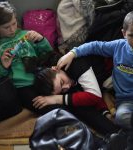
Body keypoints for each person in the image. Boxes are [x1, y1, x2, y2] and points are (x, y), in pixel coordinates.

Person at [56, 11, 133, 150]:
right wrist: (73, 53)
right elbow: (95, 46)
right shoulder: (118, 46)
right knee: (121, 118)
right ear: (123, 33)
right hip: (125, 102)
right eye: (132, 36)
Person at [0, 1, 56, 112]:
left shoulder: (27, 35)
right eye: (6, 27)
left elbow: (49, 54)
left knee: (65, 94)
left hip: (42, 76)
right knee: (46, 108)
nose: (12, 29)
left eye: (14, 23)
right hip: (22, 87)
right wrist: (3, 68)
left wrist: (41, 40)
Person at [33, 55, 120, 136]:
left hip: (115, 69)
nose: (66, 86)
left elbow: (94, 96)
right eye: (62, 90)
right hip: (104, 85)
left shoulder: (75, 65)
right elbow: (90, 92)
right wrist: (105, 113)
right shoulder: (66, 85)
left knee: (70, 100)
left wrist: (58, 99)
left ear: (55, 69)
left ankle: (115, 133)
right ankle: (114, 134)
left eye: (62, 82)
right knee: (75, 103)